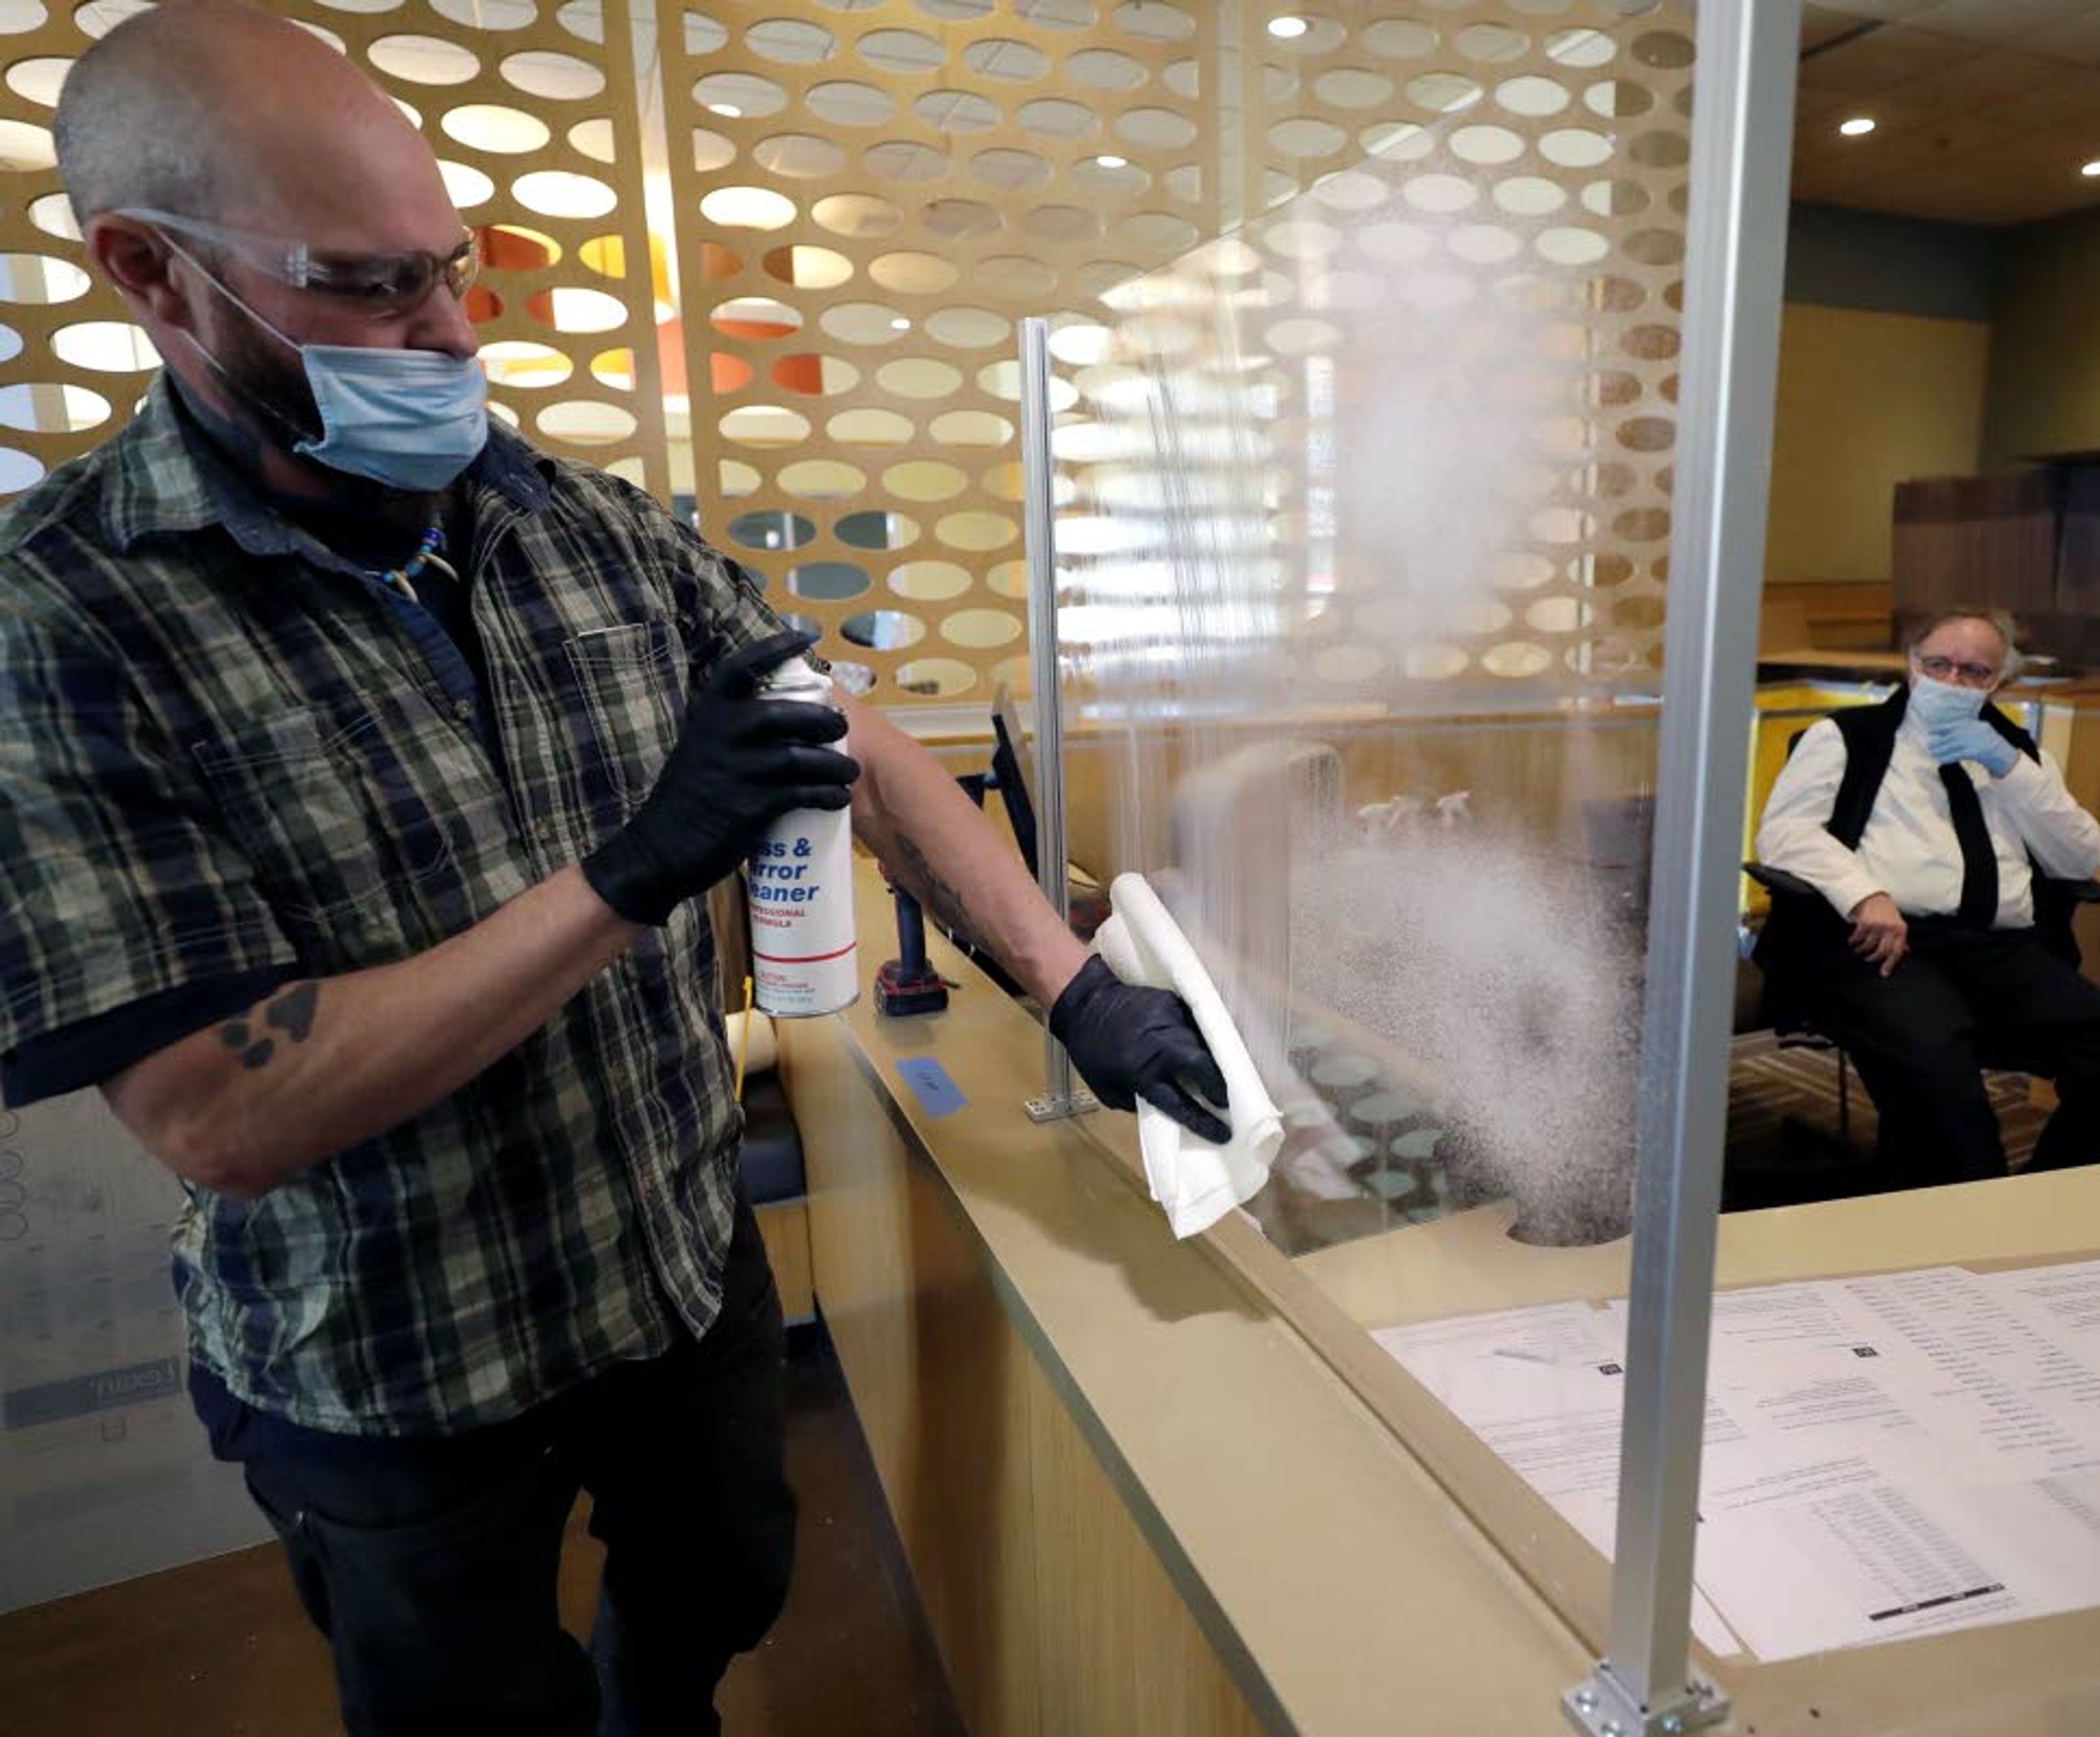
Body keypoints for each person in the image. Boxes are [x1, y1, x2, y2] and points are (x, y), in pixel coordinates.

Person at [0, 5, 1225, 1732]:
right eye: (363, 285)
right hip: (395, 1360)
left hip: (662, 1254)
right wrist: (634, 868)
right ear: (148, 270)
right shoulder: (63, 619)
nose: (440, 333)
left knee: (723, 1581)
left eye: (451, 269)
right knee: (467, 1704)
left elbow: (854, 742)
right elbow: (223, 1110)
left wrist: (1073, 981)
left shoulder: (577, 524)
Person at [1753, 606, 2100, 1184]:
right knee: (1940, 1075)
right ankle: (1956, 1220)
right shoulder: (1847, 738)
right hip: (1885, 944)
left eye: (1974, 672)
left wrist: (2008, 767)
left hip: (1999, 951)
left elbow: (2080, 859)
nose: (1954, 681)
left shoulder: (2017, 756)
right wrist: (1863, 894)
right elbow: (1784, 833)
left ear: (1997, 683)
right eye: (1940, 665)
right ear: (1913, 667)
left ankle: (2057, 1198)